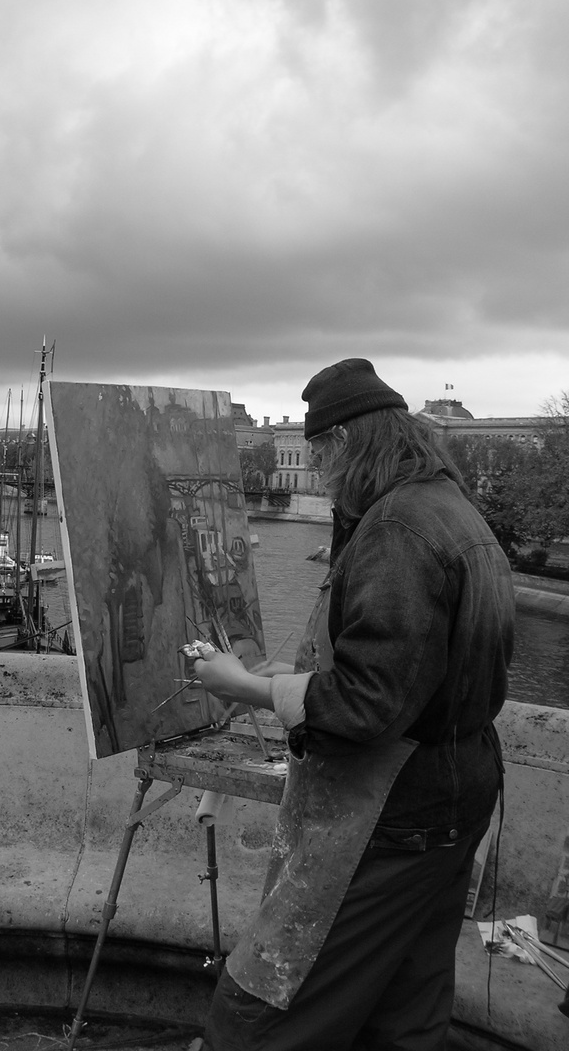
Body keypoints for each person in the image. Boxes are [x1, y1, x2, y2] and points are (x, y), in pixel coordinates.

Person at [194, 358, 515, 1051]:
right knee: (403, 1013)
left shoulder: (398, 527)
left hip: (390, 811)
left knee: (263, 1009)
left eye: (319, 455)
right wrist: (299, 671)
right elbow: (419, 671)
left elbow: (370, 706)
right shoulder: (455, 511)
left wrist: (247, 685)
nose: (321, 472)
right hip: (455, 795)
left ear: (344, 443)